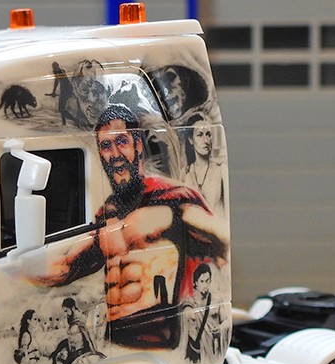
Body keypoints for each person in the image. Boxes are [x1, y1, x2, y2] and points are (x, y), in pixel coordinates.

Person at [26, 105, 228, 348]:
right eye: (106, 146)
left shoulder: (170, 200)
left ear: (138, 145)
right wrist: (9, 267)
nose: (115, 154)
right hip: (116, 341)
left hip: (159, 341)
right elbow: (64, 267)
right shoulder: (107, 215)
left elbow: (222, 238)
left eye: (121, 142)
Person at [182, 115, 225, 213]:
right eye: (200, 135)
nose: (206, 141)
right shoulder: (185, 174)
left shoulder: (221, 170)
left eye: (208, 135)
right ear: (191, 139)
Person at [50, 297, 103, 364]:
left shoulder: (80, 319)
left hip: (80, 354)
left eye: (66, 311)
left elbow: (88, 335)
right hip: (73, 354)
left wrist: (94, 350)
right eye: (64, 311)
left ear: (72, 308)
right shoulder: (71, 320)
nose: (66, 314)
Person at [181, 264, 222, 364]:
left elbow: (226, 320)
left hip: (211, 352)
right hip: (193, 353)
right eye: (202, 281)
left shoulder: (216, 301)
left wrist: (220, 328)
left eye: (207, 281)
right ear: (196, 283)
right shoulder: (189, 304)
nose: (205, 285)